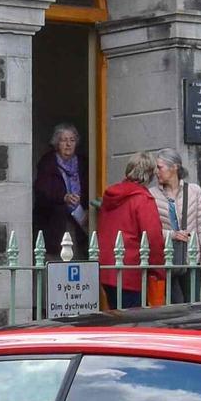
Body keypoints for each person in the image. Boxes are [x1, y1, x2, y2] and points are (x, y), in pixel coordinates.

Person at [97, 158, 165, 311]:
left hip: (107, 268)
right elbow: (152, 239)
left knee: (115, 317)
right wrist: (159, 270)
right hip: (131, 272)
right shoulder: (142, 199)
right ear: (149, 176)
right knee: (134, 323)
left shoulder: (111, 195)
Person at [150, 148, 201, 297]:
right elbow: (150, 230)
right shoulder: (152, 194)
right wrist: (171, 235)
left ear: (174, 167)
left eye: (160, 167)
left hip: (191, 260)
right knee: (173, 309)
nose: (156, 172)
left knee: (192, 305)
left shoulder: (194, 191)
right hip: (166, 261)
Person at [32, 123, 89, 258]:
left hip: (80, 221)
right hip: (55, 222)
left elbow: (89, 186)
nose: (68, 144)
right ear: (57, 143)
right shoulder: (48, 163)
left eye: (72, 140)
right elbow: (42, 190)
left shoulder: (83, 163)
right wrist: (63, 197)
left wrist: (86, 205)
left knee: (79, 259)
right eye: (64, 140)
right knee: (57, 263)